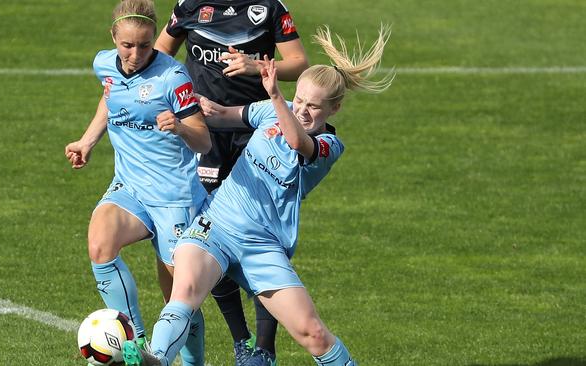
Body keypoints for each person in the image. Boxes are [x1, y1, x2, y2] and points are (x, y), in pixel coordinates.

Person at [121, 25, 394, 366]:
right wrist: (195, 109)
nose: (304, 111)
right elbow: (224, 116)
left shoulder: (329, 145)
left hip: (262, 246)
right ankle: (155, 360)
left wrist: (278, 97)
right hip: (216, 226)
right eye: (302, 101)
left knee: (314, 334)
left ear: (334, 109)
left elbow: (298, 142)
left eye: (315, 107)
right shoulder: (275, 109)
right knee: (185, 294)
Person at [154, 1, 309, 364]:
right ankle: (242, 339)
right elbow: (160, 52)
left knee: (260, 236)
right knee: (209, 235)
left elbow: (300, 63)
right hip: (207, 134)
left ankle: (265, 350)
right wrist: (180, 95)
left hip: (258, 133)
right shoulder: (190, 5)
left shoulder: (268, 7)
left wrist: (258, 66)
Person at [64, 0, 211, 365]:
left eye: (145, 45)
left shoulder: (173, 78)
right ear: (114, 37)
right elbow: (111, 97)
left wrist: (178, 126)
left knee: (179, 298)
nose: (135, 54)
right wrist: (87, 140)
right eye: (127, 45)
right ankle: (137, 343)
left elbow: (203, 140)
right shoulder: (103, 64)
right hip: (129, 186)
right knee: (100, 243)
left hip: (173, 196)